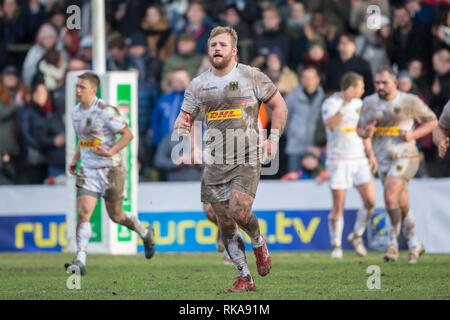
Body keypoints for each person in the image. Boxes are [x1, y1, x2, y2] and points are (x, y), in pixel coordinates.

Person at [173, 26, 288, 292]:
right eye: (213, 45)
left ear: (233, 50)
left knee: (239, 212)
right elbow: (185, 119)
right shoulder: (198, 85)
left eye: (222, 45)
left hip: (247, 155)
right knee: (224, 220)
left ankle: (258, 242)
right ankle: (244, 277)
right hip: (215, 160)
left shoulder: (252, 76)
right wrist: (185, 138)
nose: (216, 49)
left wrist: (273, 139)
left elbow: (279, 106)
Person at [64, 72, 156, 275]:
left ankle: (145, 232)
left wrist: (110, 151)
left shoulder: (106, 111)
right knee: (83, 212)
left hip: (112, 169)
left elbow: (128, 134)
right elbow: (84, 138)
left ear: (93, 90)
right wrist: (75, 159)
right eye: (77, 87)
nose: (77, 91)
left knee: (116, 216)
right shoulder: (75, 113)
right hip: (88, 169)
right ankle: (80, 261)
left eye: (82, 87)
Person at [357, 67, 438, 263]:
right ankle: (414, 244)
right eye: (377, 83)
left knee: (390, 196)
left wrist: (412, 135)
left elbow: (433, 121)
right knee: (401, 202)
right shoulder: (369, 102)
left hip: (406, 155)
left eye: (384, 83)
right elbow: (360, 130)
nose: (380, 86)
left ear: (395, 83)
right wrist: (366, 133)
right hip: (383, 157)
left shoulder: (409, 101)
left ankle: (392, 243)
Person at [321, 72, 376, 259]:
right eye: (361, 87)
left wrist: (370, 152)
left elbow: (362, 132)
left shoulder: (361, 105)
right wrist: (345, 104)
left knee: (370, 202)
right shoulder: (331, 103)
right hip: (338, 160)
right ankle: (336, 246)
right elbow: (332, 125)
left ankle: (357, 235)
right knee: (338, 205)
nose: (363, 90)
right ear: (351, 89)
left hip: (359, 159)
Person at [284, 66, 325, 172]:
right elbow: (283, 118)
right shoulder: (292, 97)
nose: (308, 80)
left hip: (315, 149)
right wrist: (292, 133)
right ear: (301, 79)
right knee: (292, 182)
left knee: (316, 184)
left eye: (311, 78)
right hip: (295, 146)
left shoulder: (324, 98)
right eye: (305, 77)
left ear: (317, 79)